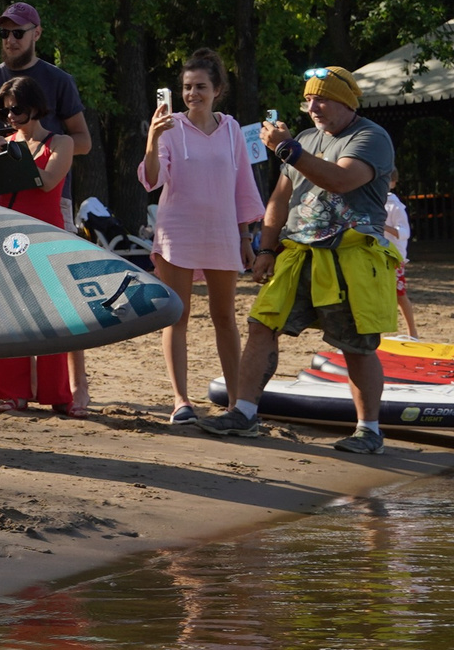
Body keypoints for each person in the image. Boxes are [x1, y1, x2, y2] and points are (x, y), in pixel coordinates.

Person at [209, 67, 400, 454]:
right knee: (262, 323)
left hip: (351, 257)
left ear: (347, 101)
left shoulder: (370, 138)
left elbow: (340, 180)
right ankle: (243, 413)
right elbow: (280, 199)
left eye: (322, 98)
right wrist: (266, 249)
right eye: (308, 99)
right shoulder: (305, 139)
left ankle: (369, 431)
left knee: (357, 344)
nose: (313, 106)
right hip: (298, 254)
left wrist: (288, 149)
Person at [139, 49, 260, 428]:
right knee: (178, 316)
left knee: (225, 317)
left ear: (218, 89)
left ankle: (238, 405)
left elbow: (243, 186)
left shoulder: (232, 129)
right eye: (187, 87)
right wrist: (152, 139)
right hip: (178, 232)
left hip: (223, 233)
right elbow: (152, 179)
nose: (193, 94)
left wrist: (245, 236)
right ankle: (181, 402)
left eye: (201, 87)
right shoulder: (169, 127)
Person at [0, 75, 78, 413]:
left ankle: (58, 394)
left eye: (17, 110)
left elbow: (45, 182)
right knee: (10, 317)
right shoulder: (6, 142)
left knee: (53, 319)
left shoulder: (61, 142)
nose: (11, 118)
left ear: (36, 107)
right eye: (5, 111)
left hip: (46, 236)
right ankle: (12, 392)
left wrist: (9, 150)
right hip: (7, 234)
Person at [0, 2, 93, 175]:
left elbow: (83, 142)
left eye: (18, 33)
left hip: (47, 188)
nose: (10, 40)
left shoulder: (59, 80)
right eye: (4, 33)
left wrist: (27, 148)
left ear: (36, 34)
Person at [387, 171, 418, 339]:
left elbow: (404, 232)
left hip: (394, 257)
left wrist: (382, 227)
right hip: (377, 254)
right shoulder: (375, 202)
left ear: (393, 183)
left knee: (399, 294)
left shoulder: (395, 206)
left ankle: (412, 331)